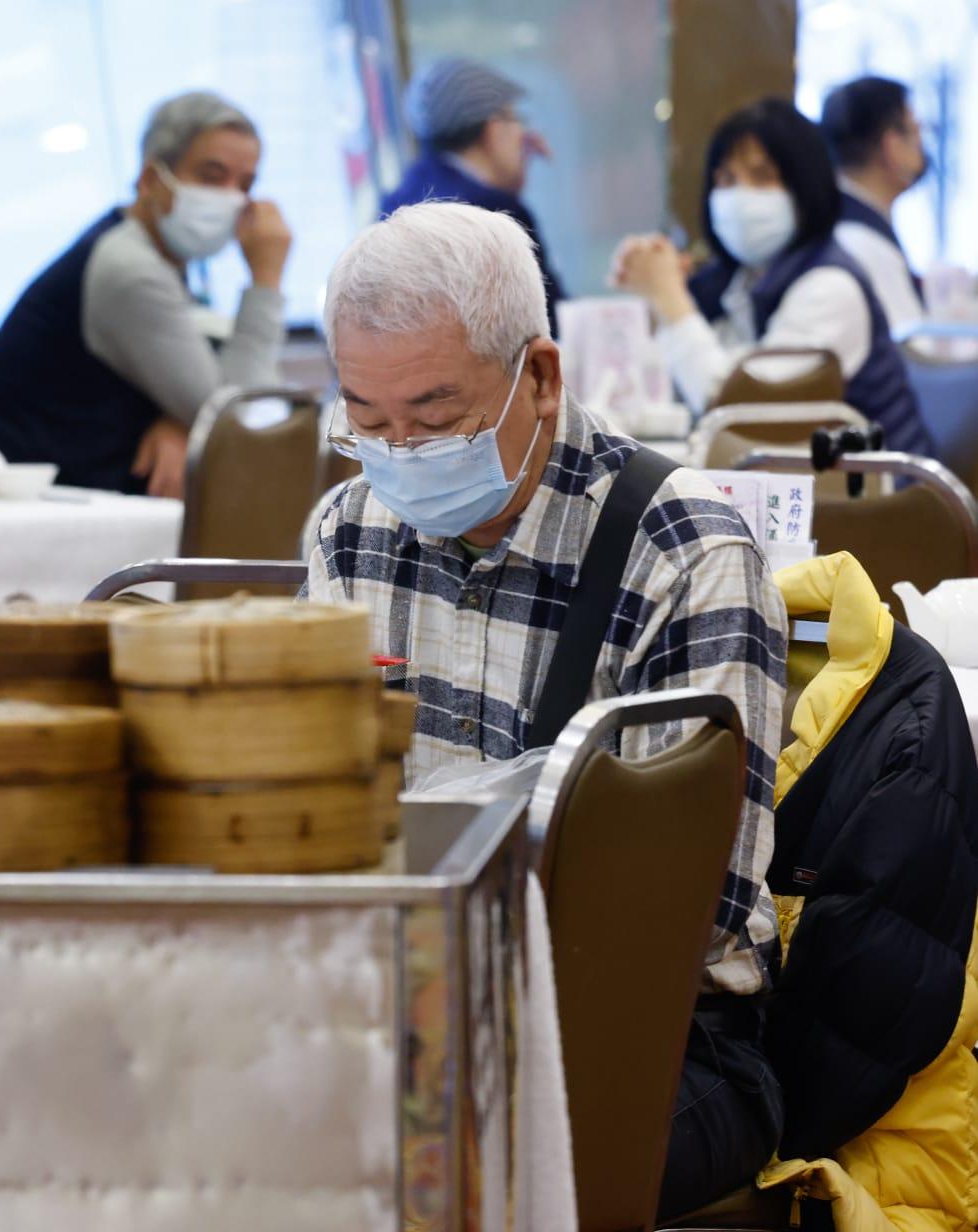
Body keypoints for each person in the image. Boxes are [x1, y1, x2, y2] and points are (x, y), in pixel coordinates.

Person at [307, 201, 786, 1217]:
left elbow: (688, 913)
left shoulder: (682, 552)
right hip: (406, 993)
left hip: (644, 1031)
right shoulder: (349, 529)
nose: (401, 454)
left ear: (539, 375)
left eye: (435, 418)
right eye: (369, 421)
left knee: (424, 1172)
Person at [0, 90, 292, 497]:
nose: (233, 199)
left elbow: (211, 402)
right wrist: (266, 279)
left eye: (245, 185)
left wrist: (181, 417)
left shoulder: (149, 250)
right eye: (212, 177)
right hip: (39, 502)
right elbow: (241, 417)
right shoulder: (130, 268)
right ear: (151, 180)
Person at [612, 98, 932, 456]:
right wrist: (657, 301)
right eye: (727, 179)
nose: (739, 197)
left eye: (762, 177)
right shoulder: (738, 281)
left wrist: (670, 300)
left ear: (804, 185)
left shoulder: (831, 287)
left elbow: (736, 411)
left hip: (876, 486)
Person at [383, 57, 564, 322]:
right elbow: (550, 325)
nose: (523, 135)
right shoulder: (496, 214)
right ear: (493, 127)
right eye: (516, 118)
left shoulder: (395, 205)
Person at [820, 76, 931, 333]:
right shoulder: (863, 242)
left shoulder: (836, 221)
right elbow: (912, 348)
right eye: (916, 131)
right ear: (892, 145)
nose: (922, 146)